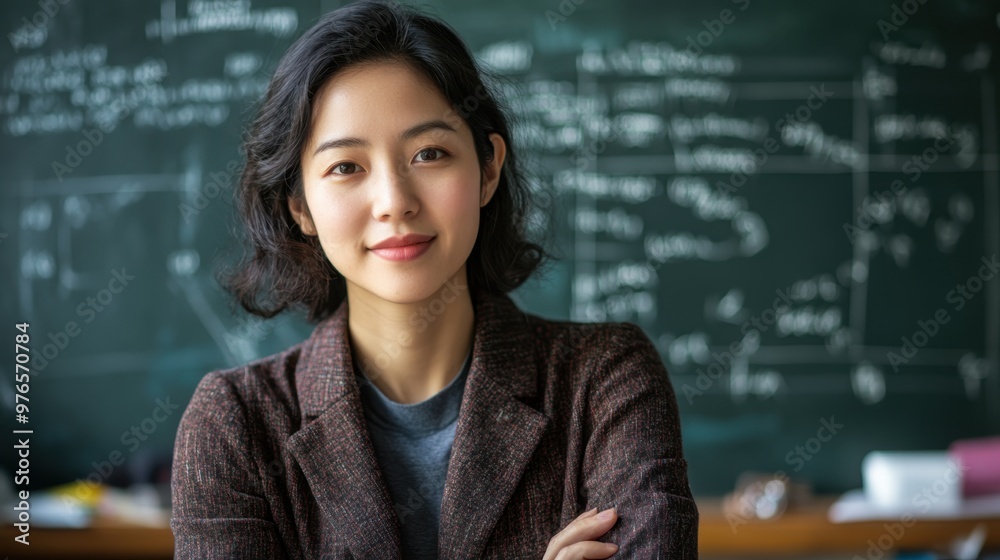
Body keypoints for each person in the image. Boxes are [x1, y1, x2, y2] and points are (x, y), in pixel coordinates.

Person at [169, 1, 699, 558]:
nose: (395, 202)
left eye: (429, 153)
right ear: (300, 206)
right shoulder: (235, 423)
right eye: (346, 166)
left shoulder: (605, 379)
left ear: (488, 168)